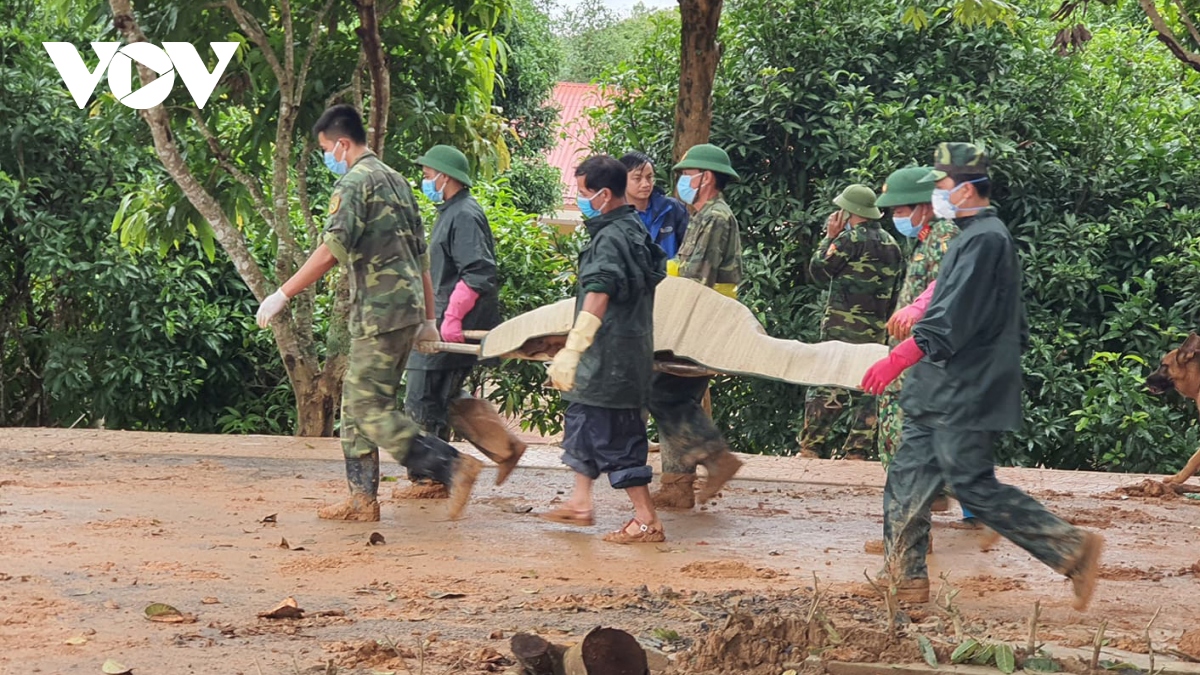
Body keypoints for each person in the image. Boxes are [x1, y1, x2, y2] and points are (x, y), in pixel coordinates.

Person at [860, 142, 1103, 608]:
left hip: (965, 390)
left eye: (944, 186)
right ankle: (904, 576)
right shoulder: (967, 235)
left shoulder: (987, 239)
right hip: (937, 387)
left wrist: (901, 355)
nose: (938, 195)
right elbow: (939, 299)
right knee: (908, 477)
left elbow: (954, 319)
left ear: (967, 190)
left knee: (972, 484)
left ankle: (1071, 548)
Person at [255, 105, 482, 522]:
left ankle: (450, 465)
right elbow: (422, 259)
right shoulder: (397, 182)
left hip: (379, 313)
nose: (327, 156)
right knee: (355, 406)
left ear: (342, 144)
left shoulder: (355, 183)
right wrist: (428, 318)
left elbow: (330, 251)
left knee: (368, 408)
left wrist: (282, 293)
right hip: (406, 310)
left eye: (326, 148)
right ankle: (361, 499)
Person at [539, 154, 668, 543]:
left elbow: (598, 293)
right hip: (616, 356)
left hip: (610, 358)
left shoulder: (612, 238)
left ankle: (647, 519)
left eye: (583, 194)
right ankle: (580, 501)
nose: (579, 200)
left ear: (605, 194)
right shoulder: (631, 229)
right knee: (582, 422)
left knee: (619, 439)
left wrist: (574, 348)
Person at [397, 145, 525, 499]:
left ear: (445, 176)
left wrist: (451, 315)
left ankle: (431, 477)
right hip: (442, 318)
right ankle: (504, 448)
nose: (424, 180)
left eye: (427, 175)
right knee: (447, 398)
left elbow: (479, 272)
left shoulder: (464, 214)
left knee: (421, 399)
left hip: (452, 323)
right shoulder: (451, 211)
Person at [647, 143, 744, 510]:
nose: (683, 181)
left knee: (663, 393)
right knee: (675, 396)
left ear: (706, 178)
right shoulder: (703, 216)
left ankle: (717, 460)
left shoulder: (714, 218)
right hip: (699, 316)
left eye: (688, 174)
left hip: (701, 319)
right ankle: (678, 485)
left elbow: (694, 278)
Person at [874, 166, 974, 523]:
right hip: (916, 357)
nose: (895, 217)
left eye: (901, 210)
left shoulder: (944, 236)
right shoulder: (927, 239)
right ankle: (953, 504)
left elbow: (951, 286)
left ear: (924, 207)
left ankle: (909, 531)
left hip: (923, 357)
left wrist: (916, 311)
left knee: (904, 440)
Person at [799, 185, 902, 460]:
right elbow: (895, 294)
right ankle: (857, 450)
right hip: (876, 331)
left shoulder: (847, 240)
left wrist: (828, 238)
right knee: (869, 388)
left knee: (826, 382)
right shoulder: (893, 245)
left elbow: (819, 271)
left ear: (851, 212)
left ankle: (811, 446)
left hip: (840, 328)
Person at [619, 152, 690, 259]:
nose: (646, 184)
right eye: (637, 178)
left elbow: (689, 247)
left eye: (649, 177)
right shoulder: (617, 216)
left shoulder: (672, 208)